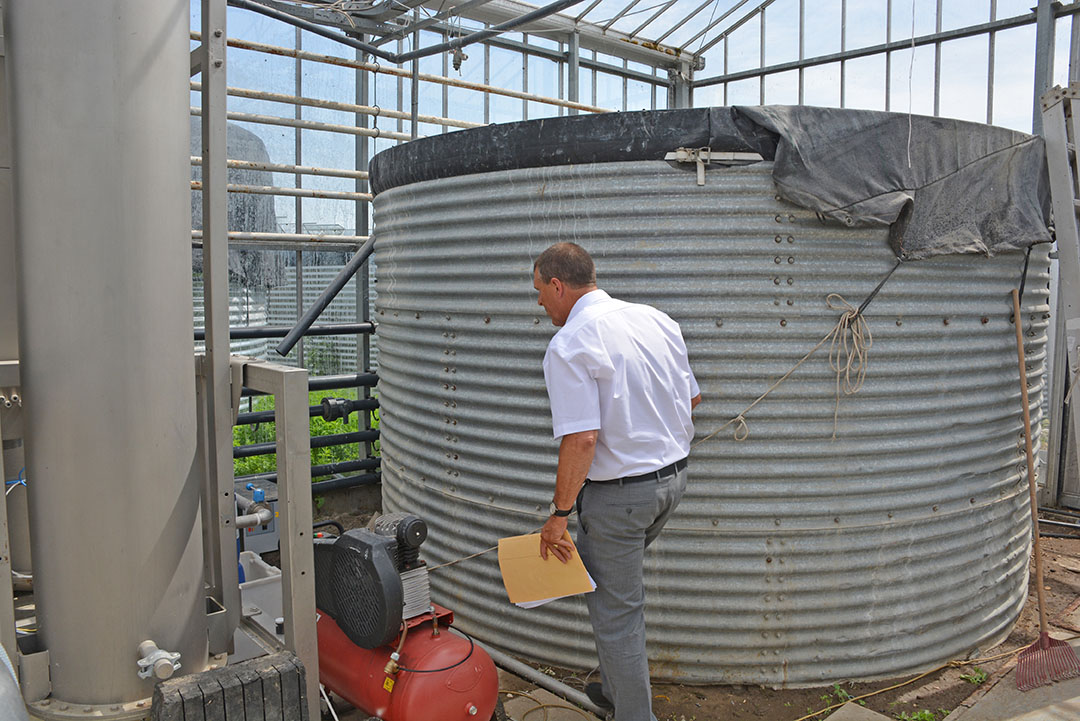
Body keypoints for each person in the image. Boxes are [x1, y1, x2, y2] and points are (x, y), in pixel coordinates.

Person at [531, 242, 701, 721]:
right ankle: (611, 686)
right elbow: (692, 399)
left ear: (558, 286)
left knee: (616, 617)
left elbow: (583, 438)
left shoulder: (570, 343)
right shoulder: (655, 319)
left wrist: (559, 516)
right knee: (612, 592)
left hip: (620, 499)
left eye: (540, 291)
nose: (539, 302)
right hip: (671, 485)